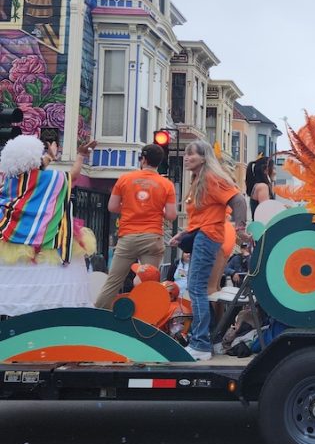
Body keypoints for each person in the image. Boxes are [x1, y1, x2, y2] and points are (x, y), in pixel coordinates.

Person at [169, 140, 249, 361]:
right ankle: (207, 340)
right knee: (199, 289)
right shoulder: (199, 180)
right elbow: (201, 217)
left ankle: (201, 344)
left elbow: (239, 201)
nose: (186, 157)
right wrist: (183, 235)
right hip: (203, 236)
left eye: (191, 154)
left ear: (204, 158)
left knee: (196, 288)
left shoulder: (212, 178)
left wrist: (240, 229)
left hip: (208, 237)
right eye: (185, 154)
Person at [0, 135, 96, 316]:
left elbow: (32, 171)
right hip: (48, 239)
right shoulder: (50, 179)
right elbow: (73, 176)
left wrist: (49, 157)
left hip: (10, 236)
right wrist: (80, 156)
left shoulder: (8, 181)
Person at [95, 144, 177, 309]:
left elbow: (112, 206)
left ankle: (98, 314)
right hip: (152, 237)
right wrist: (156, 210)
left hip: (128, 237)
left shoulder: (125, 179)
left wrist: (129, 208)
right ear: (159, 162)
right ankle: (146, 317)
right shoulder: (166, 184)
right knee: (149, 282)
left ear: (143, 159)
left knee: (114, 280)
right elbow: (171, 215)